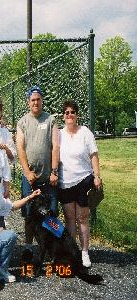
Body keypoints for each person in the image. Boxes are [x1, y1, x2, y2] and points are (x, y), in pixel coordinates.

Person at [58, 100, 103, 268]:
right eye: (67, 112)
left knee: (82, 219)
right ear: (63, 116)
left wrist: (97, 176)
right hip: (65, 183)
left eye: (72, 112)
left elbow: (94, 155)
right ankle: (73, 252)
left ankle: (85, 252)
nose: (69, 115)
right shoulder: (59, 134)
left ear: (77, 114)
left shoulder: (85, 132)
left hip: (84, 180)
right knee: (70, 219)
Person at [16, 86, 59, 245]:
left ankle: (53, 249)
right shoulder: (22, 122)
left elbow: (56, 146)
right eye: (32, 100)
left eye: (38, 99)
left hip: (49, 178)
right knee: (29, 214)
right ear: (28, 103)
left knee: (52, 214)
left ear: (42, 101)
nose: (35, 102)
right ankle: (28, 246)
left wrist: (54, 171)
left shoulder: (51, 120)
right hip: (30, 179)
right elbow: (20, 147)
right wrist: (27, 172)